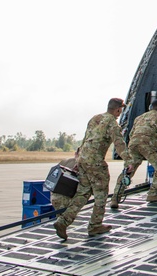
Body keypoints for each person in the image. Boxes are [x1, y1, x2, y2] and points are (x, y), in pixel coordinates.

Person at [54, 98, 131, 240]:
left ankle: (63, 222)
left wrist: (78, 157)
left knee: (83, 193)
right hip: (95, 163)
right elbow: (119, 144)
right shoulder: (112, 123)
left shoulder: (95, 118)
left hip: (83, 160)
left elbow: (86, 138)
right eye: (121, 109)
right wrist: (129, 160)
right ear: (118, 110)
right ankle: (95, 225)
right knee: (101, 194)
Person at [110, 98, 157, 208]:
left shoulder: (139, 118)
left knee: (128, 171)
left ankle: (115, 198)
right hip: (148, 144)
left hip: (134, 144)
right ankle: (152, 194)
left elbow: (131, 134)